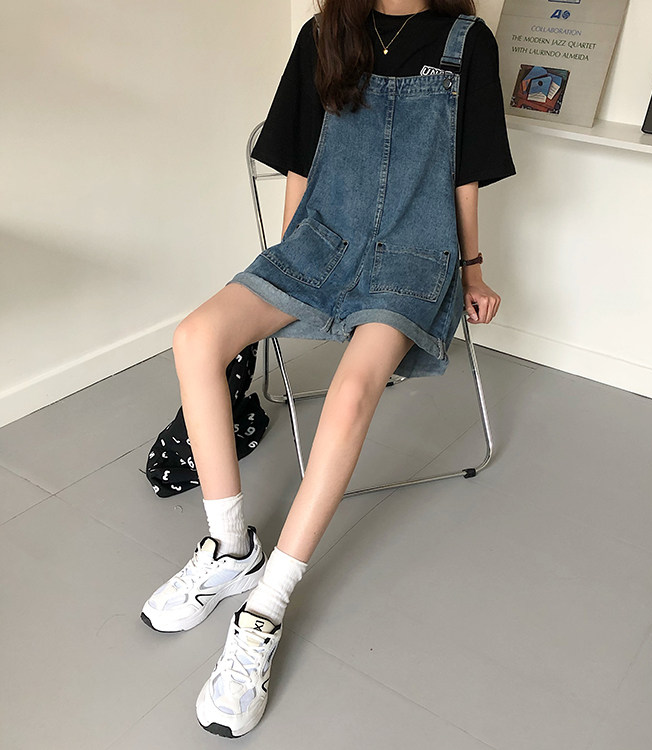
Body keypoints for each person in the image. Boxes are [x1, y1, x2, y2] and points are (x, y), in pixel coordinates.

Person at [140, 0, 516, 738]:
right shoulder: (324, 35)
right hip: (319, 246)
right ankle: (231, 548)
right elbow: (300, 160)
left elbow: (465, 175)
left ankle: (266, 606)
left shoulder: (467, 42)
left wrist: (472, 270)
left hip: (413, 259)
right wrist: (289, 262)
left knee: (350, 391)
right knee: (195, 338)